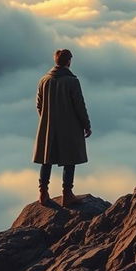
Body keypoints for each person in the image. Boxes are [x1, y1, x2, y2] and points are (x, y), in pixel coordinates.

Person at [32, 49, 92, 206]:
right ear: (68, 61)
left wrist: (47, 119)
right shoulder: (72, 81)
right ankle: (67, 194)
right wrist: (86, 125)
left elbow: (39, 104)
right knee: (69, 159)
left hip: (48, 126)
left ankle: (43, 193)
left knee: (47, 159)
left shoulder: (44, 80)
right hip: (69, 127)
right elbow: (79, 105)